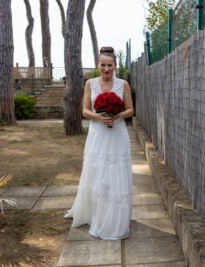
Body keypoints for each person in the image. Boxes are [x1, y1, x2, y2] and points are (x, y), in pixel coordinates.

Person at [65, 46, 134, 240]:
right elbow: (84, 110)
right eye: (102, 65)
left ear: (115, 65)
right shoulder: (90, 84)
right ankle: (96, 213)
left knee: (116, 174)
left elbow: (130, 110)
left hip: (117, 134)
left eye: (109, 65)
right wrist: (99, 117)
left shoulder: (123, 84)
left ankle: (116, 219)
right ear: (98, 65)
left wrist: (115, 115)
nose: (106, 68)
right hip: (98, 134)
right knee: (98, 173)